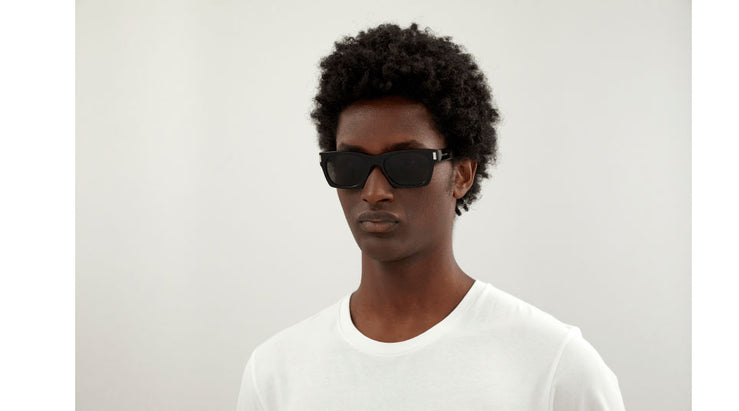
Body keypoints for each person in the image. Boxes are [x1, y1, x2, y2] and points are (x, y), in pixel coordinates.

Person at [237, 23, 625, 411]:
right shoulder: (275, 374)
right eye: (351, 164)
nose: (374, 191)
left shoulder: (554, 367)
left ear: (462, 175)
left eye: (406, 163)